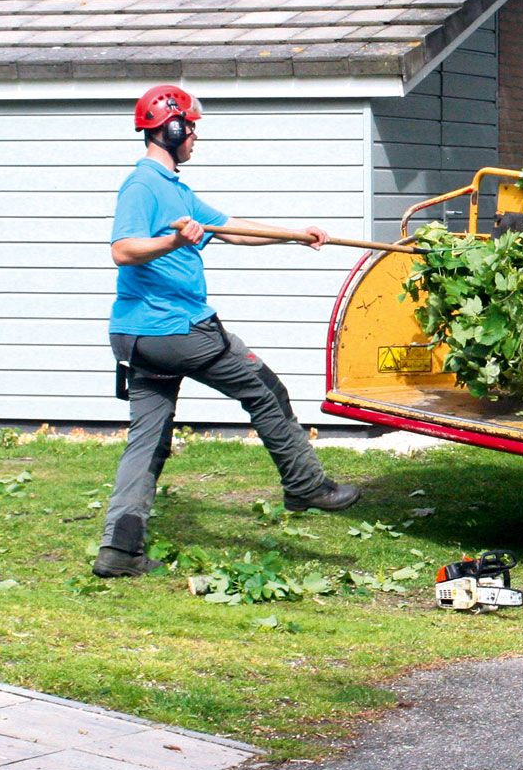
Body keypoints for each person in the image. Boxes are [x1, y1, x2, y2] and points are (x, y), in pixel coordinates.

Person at [94, 85, 360, 578]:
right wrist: (173, 239)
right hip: (177, 330)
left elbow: (231, 228)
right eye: (190, 126)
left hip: (138, 338)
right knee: (265, 389)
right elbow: (123, 249)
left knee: (147, 440)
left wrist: (297, 235)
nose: (195, 135)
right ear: (170, 129)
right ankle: (305, 483)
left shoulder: (176, 188)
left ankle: (119, 550)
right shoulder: (142, 186)